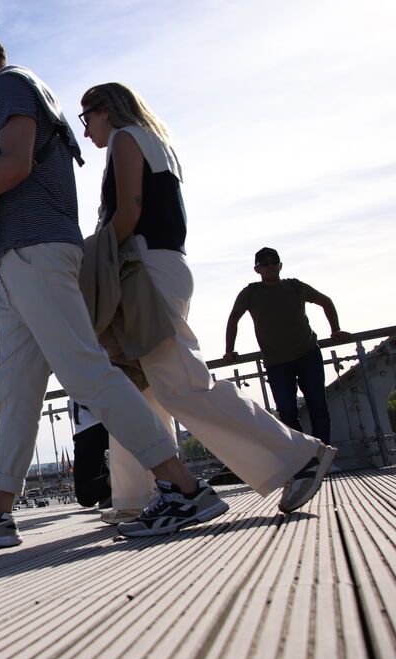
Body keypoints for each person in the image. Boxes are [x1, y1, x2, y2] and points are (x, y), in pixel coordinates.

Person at [0, 31, 225, 547]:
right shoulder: (10, 93)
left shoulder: (9, 85)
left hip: (36, 252)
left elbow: (15, 164)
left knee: (85, 371)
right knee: (17, 391)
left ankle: (184, 487)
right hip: (16, 261)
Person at [75, 82, 337, 531]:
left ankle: (298, 457)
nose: (87, 133)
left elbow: (129, 213)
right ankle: (139, 498)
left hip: (145, 271)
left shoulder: (124, 137)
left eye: (87, 119)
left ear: (106, 110)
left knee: (183, 384)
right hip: (163, 267)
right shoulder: (157, 142)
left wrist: (90, 263)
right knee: (141, 390)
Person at [225, 247, 348, 444]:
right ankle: (304, 457)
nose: (270, 266)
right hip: (277, 363)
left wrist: (336, 329)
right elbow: (233, 319)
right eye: (264, 264)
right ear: (257, 269)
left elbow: (326, 302)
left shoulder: (296, 287)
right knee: (287, 413)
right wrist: (229, 350)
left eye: (273, 262)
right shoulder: (250, 293)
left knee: (318, 406)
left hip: (308, 355)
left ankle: (322, 454)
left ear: (280, 265)